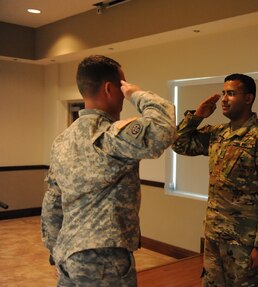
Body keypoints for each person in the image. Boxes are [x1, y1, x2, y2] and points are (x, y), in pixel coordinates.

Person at [41, 55, 177, 286]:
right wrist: (137, 93)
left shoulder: (62, 140)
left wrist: (57, 252)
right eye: (122, 85)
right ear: (109, 88)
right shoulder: (110, 137)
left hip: (68, 253)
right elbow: (164, 127)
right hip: (104, 259)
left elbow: (52, 202)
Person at [172, 73, 258, 286]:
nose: (224, 99)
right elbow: (180, 144)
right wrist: (197, 116)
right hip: (215, 237)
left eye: (232, 93)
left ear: (248, 98)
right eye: (224, 93)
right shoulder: (218, 133)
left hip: (245, 243)